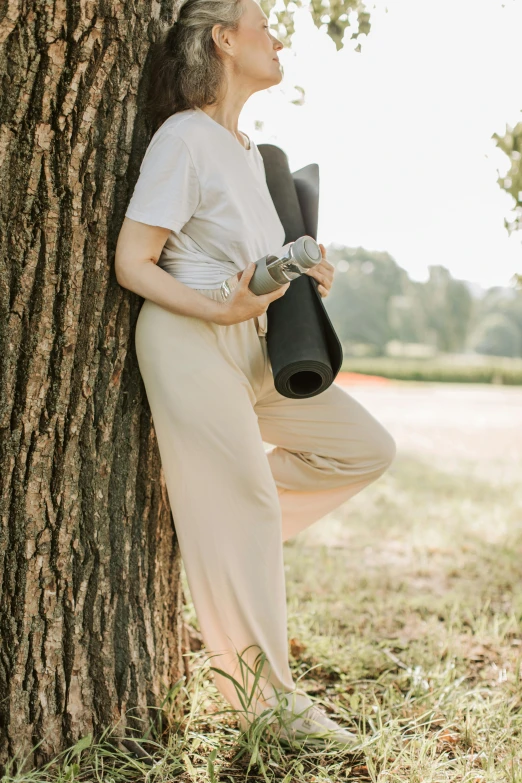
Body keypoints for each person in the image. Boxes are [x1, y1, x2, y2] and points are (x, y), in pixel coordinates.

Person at [114, 0, 396, 746]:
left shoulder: (250, 153)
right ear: (223, 40)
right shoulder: (185, 138)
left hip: (259, 345)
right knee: (249, 508)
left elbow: (258, 264)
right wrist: (217, 308)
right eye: (265, 24)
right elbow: (132, 261)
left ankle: (213, 530)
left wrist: (307, 276)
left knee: (364, 449)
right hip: (190, 337)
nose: (279, 38)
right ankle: (272, 705)